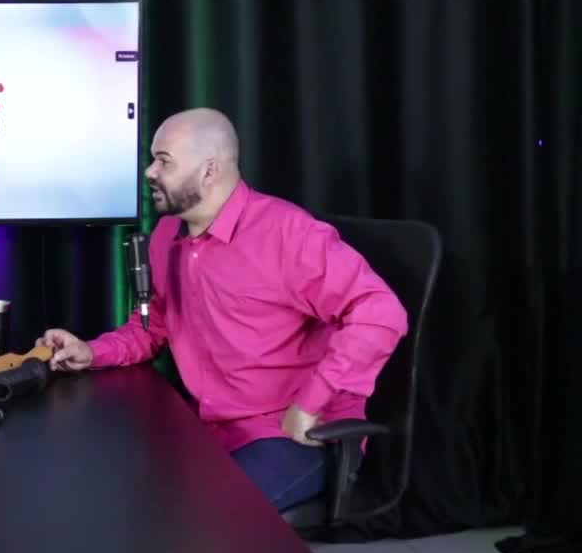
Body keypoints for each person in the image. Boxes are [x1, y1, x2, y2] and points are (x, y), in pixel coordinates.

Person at [38, 108, 408, 511]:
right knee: (111, 489)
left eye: (164, 161)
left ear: (209, 171)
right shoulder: (167, 234)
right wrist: (92, 352)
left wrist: (309, 403)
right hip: (209, 426)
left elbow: (381, 313)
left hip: (291, 433)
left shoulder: (288, 233)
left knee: (209, 525)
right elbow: (155, 324)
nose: (149, 172)